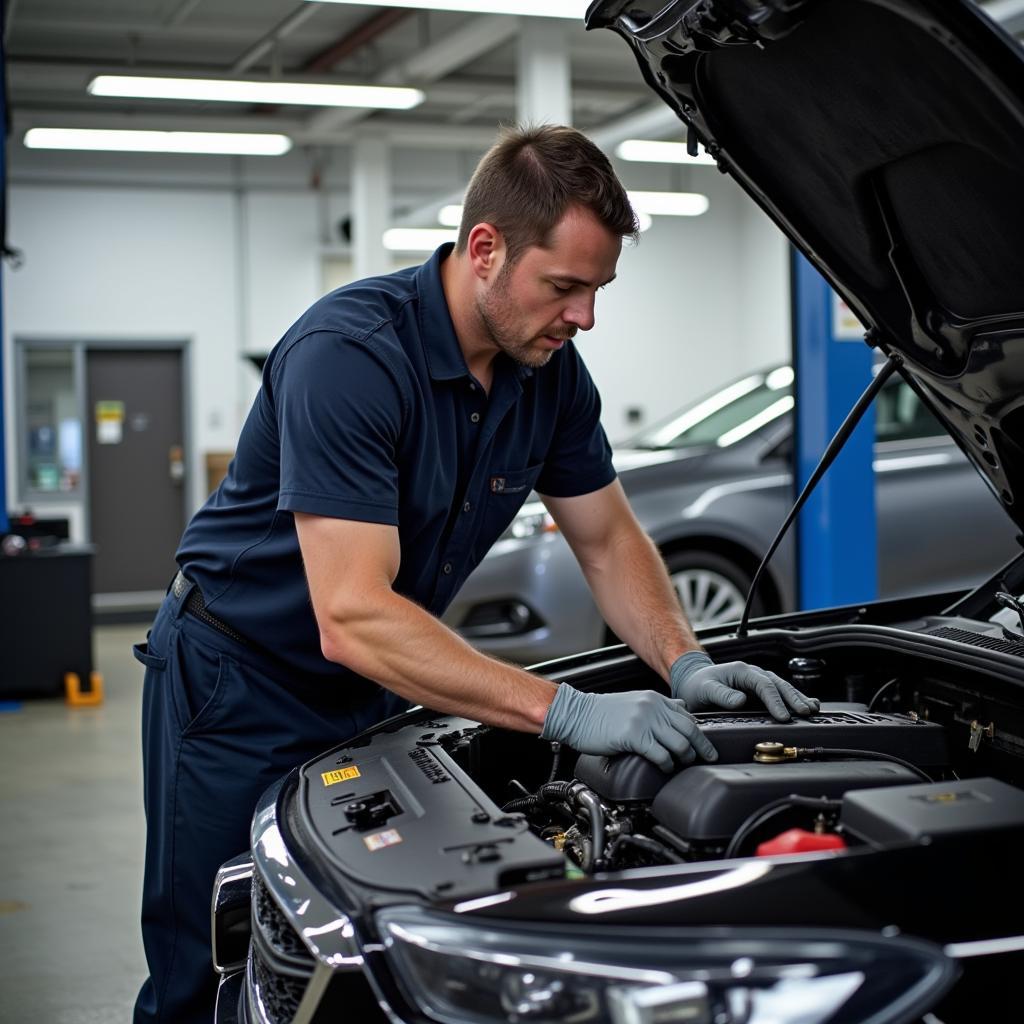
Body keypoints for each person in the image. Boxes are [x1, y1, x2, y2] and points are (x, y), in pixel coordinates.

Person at [132, 123, 818, 1023]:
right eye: (565, 287)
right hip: (239, 680)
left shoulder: (552, 376)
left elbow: (607, 539)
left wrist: (683, 662)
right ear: (485, 249)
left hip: (372, 686)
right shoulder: (351, 355)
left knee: (357, 957)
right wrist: (566, 710)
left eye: (598, 290)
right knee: (213, 960)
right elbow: (352, 614)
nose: (584, 318)